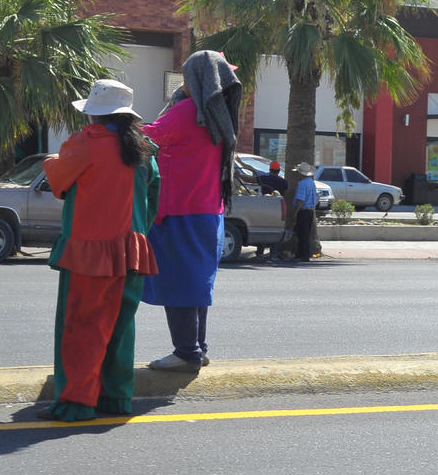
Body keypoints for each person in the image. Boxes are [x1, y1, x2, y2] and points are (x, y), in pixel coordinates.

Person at [39, 79, 160, 421]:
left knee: (81, 328)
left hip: (89, 253)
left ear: (94, 115)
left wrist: (51, 162)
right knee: (120, 329)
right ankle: (115, 399)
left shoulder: (85, 143)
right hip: (132, 250)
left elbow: (59, 181)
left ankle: (77, 403)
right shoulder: (144, 149)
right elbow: (152, 199)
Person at [141, 50, 241, 372]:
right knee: (197, 285)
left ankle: (186, 352)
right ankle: (198, 347)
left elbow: (148, 138)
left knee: (178, 284)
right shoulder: (219, 113)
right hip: (211, 212)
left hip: (180, 210)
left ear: (196, 79)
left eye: (186, 77)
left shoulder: (189, 112)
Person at [255, 160, 288, 259]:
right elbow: (285, 194)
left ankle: (260, 252)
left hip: (264, 207)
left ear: (270, 169)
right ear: (278, 171)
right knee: (276, 230)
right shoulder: (283, 182)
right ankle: (274, 254)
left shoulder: (263, 178)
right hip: (277, 209)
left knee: (262, 229)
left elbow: (250, 179)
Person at [291, 161, 318, 262]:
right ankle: (302, 254)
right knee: (305, 233)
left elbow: (300, 200)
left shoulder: (302, 184)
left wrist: (295, 212)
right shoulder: (311, 182)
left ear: (301, 174)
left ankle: (303, 255)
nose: (297, 174)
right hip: (310, 211)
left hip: (303, 211)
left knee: (302, 234)